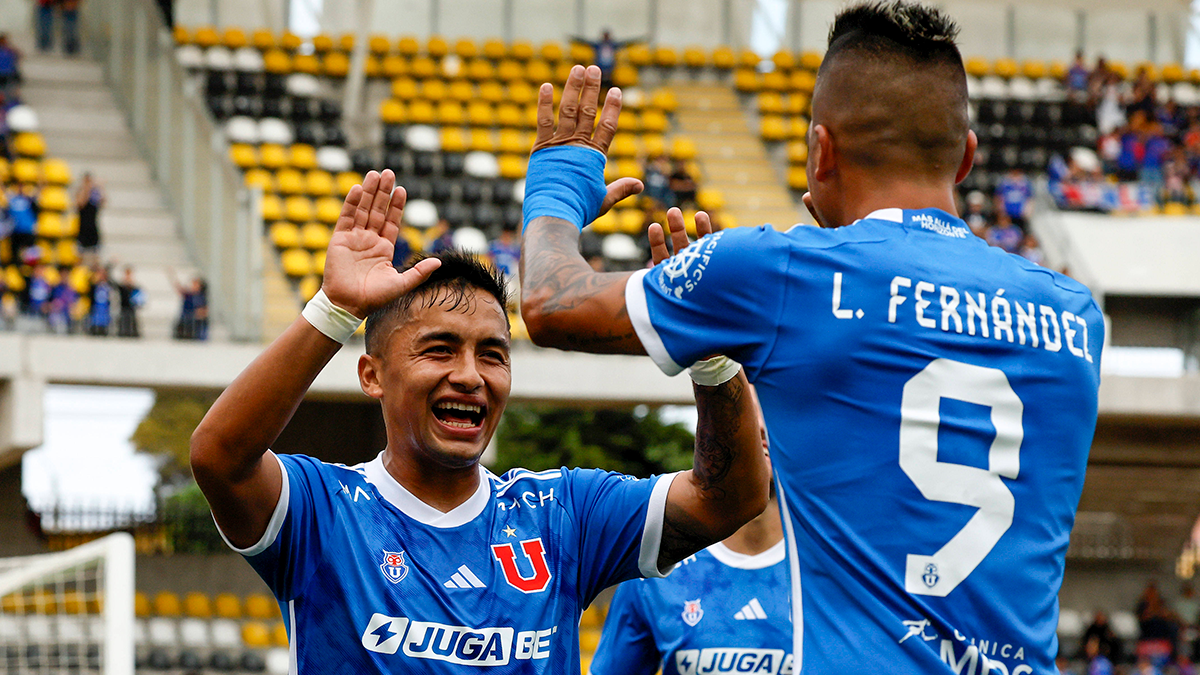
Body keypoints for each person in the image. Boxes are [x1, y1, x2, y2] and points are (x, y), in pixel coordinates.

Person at [517, 3, 1104, 673]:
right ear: (966, 157)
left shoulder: (786, 274)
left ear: (820, 150)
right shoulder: (1073, 315)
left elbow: (550, 303)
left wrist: (558, 184)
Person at [189, 169, 770, 673]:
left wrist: (712, 359)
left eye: (493, 354)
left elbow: (732, 496)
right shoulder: (326, 511)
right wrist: (334, 310)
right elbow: (219, 457)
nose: (471, 375)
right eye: (439, 349)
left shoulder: (563, 514)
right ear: (372, 375)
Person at [590, 393, 790, 675]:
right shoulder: (655, 571)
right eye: (741, 409)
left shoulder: (839, 567)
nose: (758, 424)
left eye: (773, 409)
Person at [75, 173, 104, 267]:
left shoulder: (95, 194)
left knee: (96, 257)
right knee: (81, 256)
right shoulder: (81, 192)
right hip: (83, 228)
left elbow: (103, 202)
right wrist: (87, 188)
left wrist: (101, 187)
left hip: (93, 228)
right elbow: (81, 203)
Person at [115, 265, 142, 337]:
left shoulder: (134, 287)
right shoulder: (121, 287)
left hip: (131, 308)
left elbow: (138, 297)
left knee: (131, 322)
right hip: (123, 308)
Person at [87, 266, 112, 336]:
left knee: (104, 332)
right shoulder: (94, 286)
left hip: (105, 312)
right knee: (94, 331)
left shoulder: (108, 286)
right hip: (95, 312)